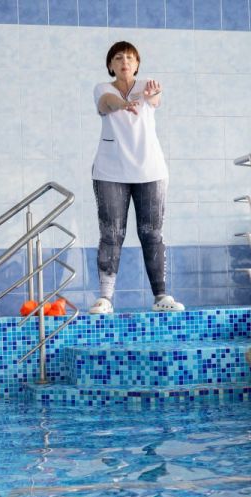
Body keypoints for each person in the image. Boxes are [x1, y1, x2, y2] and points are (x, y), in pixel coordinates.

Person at [89, 41, 184, 315]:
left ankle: (161, 296)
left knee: (152, 233)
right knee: (111, 234)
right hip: (110, 172)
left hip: (150, 171)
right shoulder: (102, 89)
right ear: (110, 65)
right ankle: (105, 298)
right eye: (119, 58)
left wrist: (152, 96)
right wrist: (124, 103)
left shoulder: (146, 86)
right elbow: (106, 104)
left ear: (137, 64)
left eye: (130, 58)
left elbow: (154, 101)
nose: (125, 62)